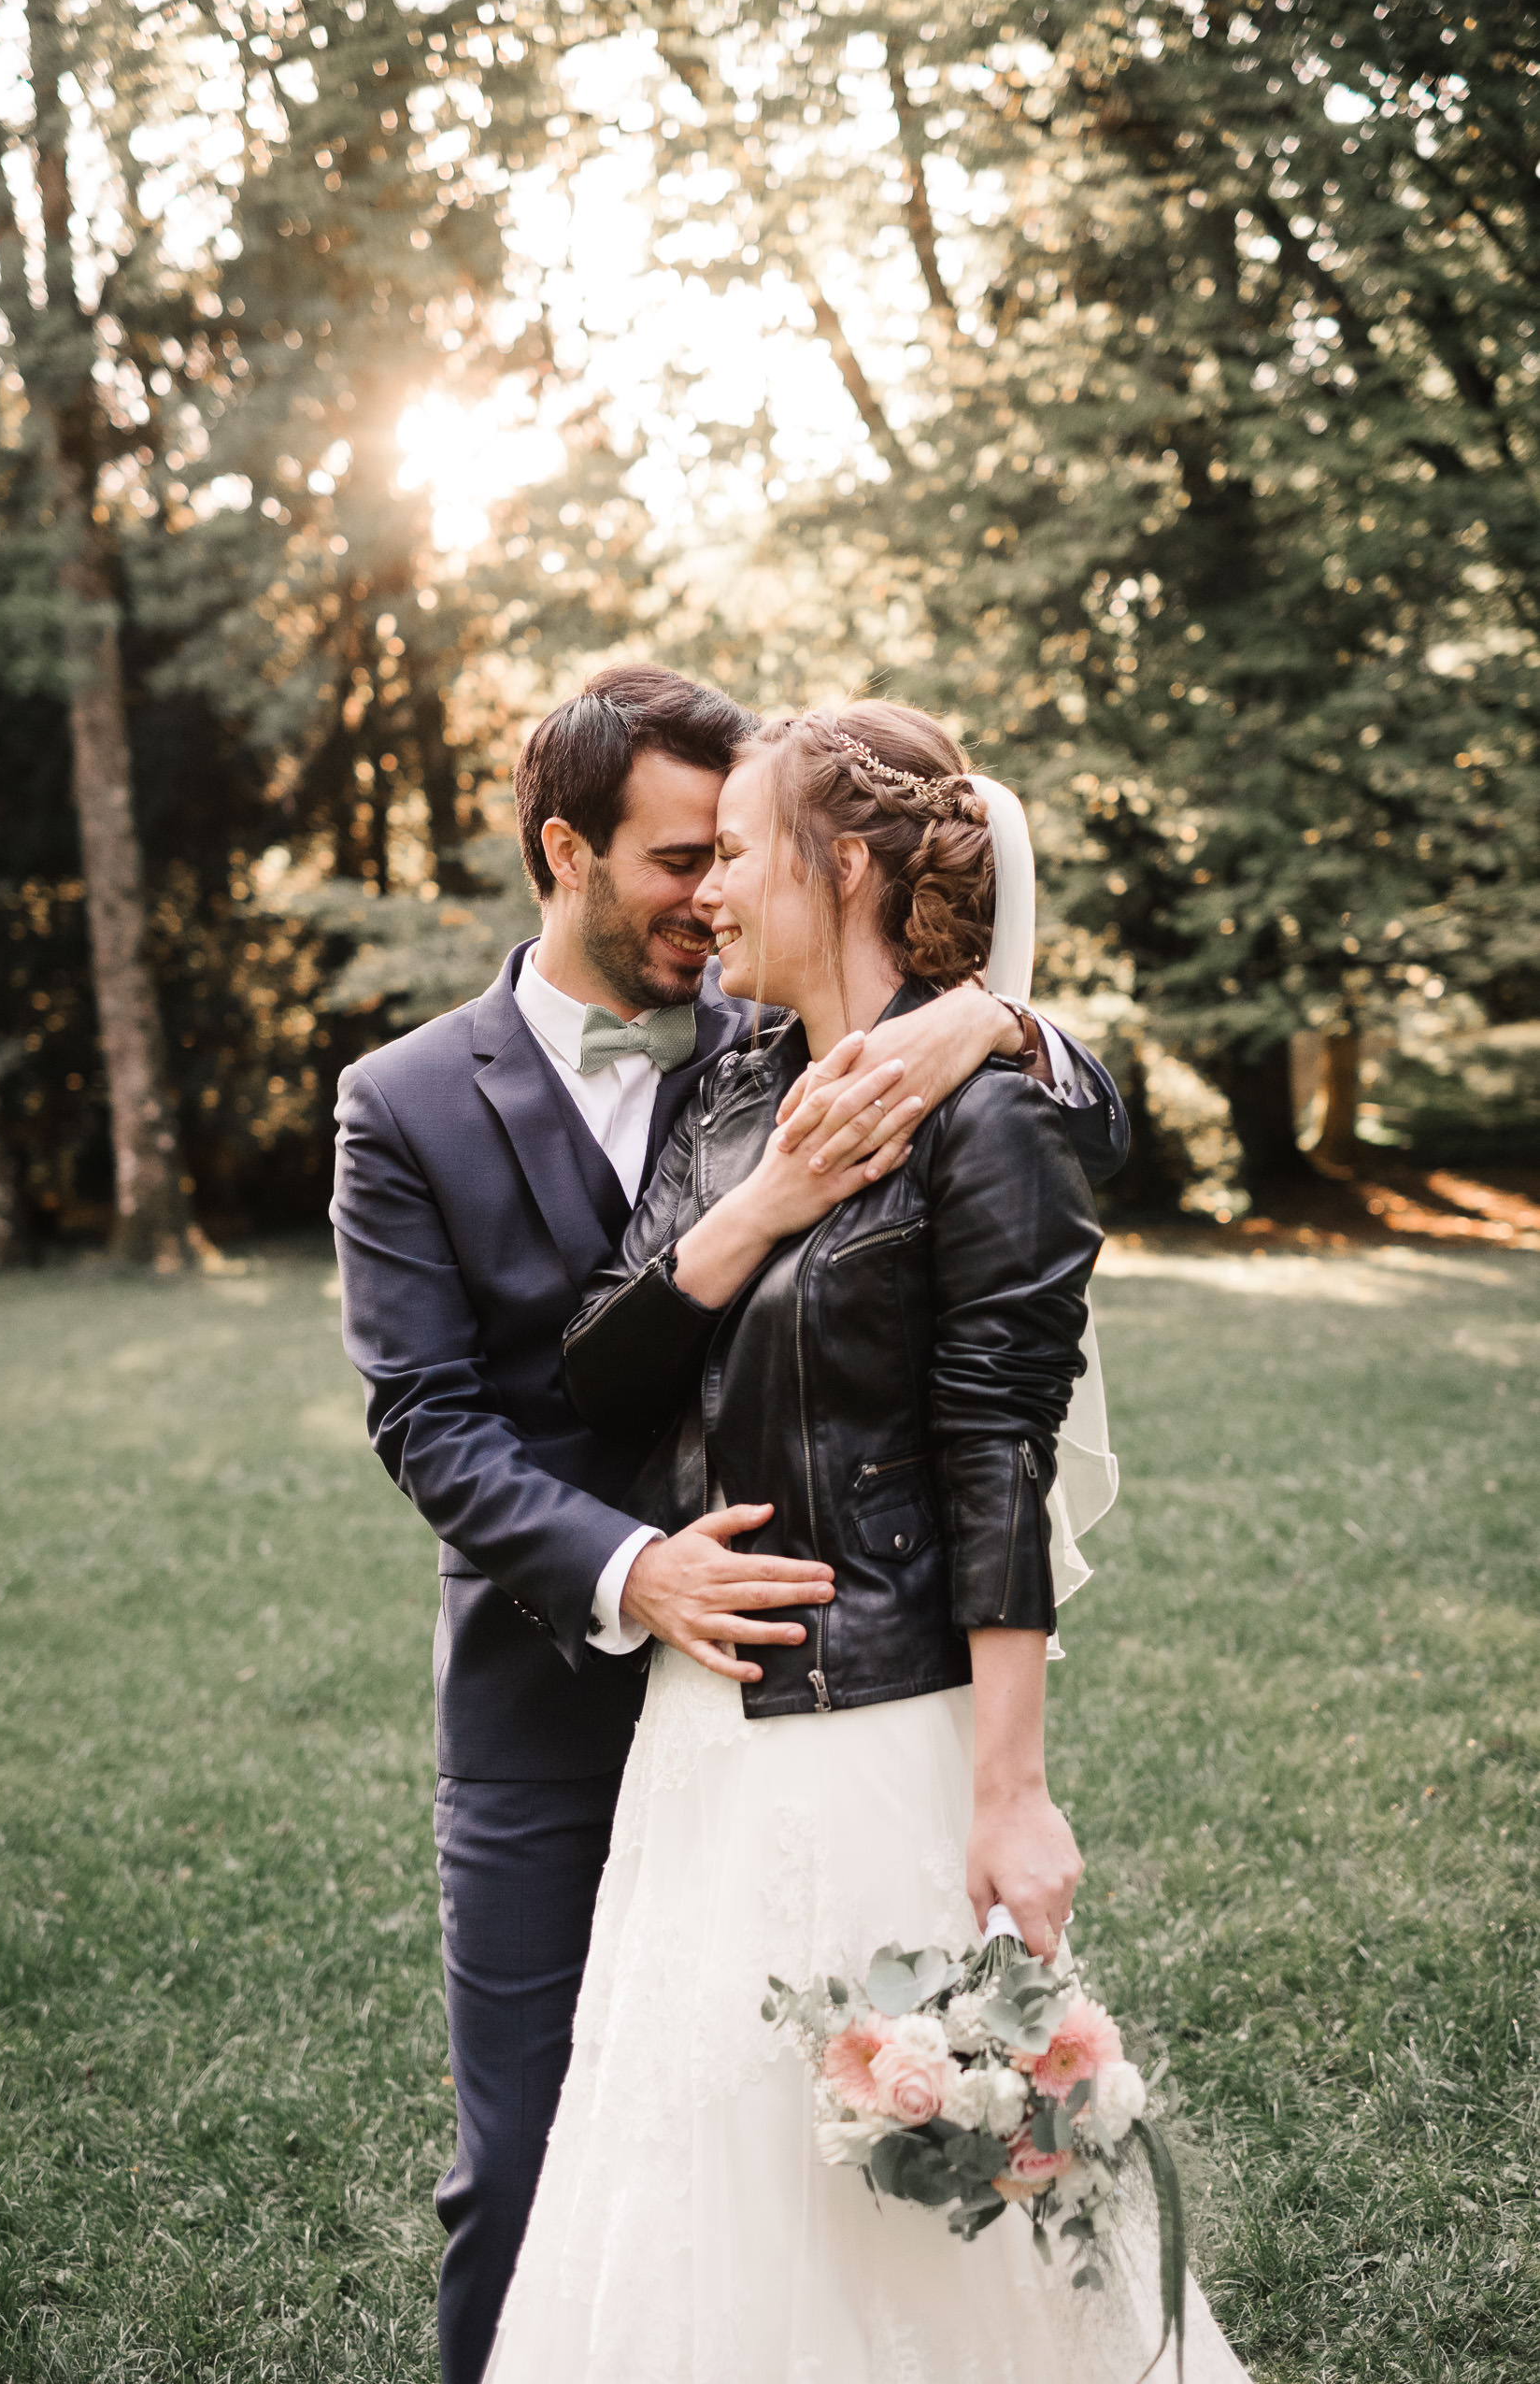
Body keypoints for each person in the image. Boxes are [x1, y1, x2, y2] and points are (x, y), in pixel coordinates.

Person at [330, 668, 1129, 2382]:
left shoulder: (776, 1034)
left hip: (830, 1689)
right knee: (550, 2166)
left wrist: (993, 1019)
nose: (709, 896)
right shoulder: (404, 1101)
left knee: (825, 2167)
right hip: (564, 1694)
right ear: (564, 851)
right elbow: (433, 1419)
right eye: (676, 860)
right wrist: (634, 1570)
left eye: (734, 856)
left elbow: (1043, 1192)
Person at [482, 701, 1249, 2382]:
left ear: (841, 866)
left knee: (918, 2186)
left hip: (874, 1716)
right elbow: (603, 1362)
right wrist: (774, 1202)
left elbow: (999, 1458)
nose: (712, 898)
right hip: (703, 1733)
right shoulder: (739, 1081)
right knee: (694, 2158)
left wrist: (1011, 1783)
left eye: (741, 853)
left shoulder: (994, 1112)